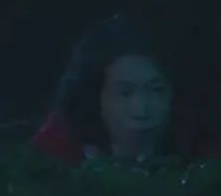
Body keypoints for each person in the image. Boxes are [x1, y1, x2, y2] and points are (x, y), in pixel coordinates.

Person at [31, 15, 208, 164]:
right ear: (94, 98)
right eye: (125, 94)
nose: (141, 110)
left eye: (155, 90)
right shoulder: (53, 152)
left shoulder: (204, 153)